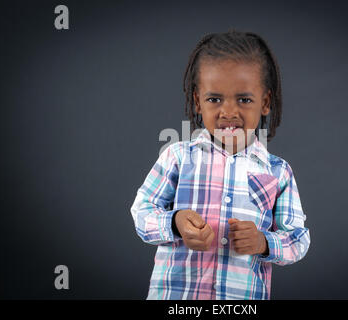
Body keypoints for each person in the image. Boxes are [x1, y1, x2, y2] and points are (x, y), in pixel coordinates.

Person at [130, 29, 310, 300]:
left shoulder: (277, 172)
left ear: (265, 102)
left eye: (244, 99)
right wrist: (175, 222)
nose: (228, 112)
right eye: (214, 99)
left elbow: (298, 239)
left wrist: (264, 242)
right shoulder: (178, 157)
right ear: (197, 102)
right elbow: (142, 212)